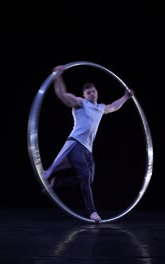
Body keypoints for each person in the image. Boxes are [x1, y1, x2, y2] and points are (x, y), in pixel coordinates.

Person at [43, 64, 134, 223]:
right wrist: (58, 76)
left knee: (88, 180)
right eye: (88, 92)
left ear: (97, 92)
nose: (92, 93)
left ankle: (57, 182)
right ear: (84, 95)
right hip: (75, 144)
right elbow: (62, 95)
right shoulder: (80, 103)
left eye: (93, 91)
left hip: (88, 150)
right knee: (84, 175)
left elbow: (114, 106)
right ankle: (92, 212)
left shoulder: (100, 108)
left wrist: (126, 96)